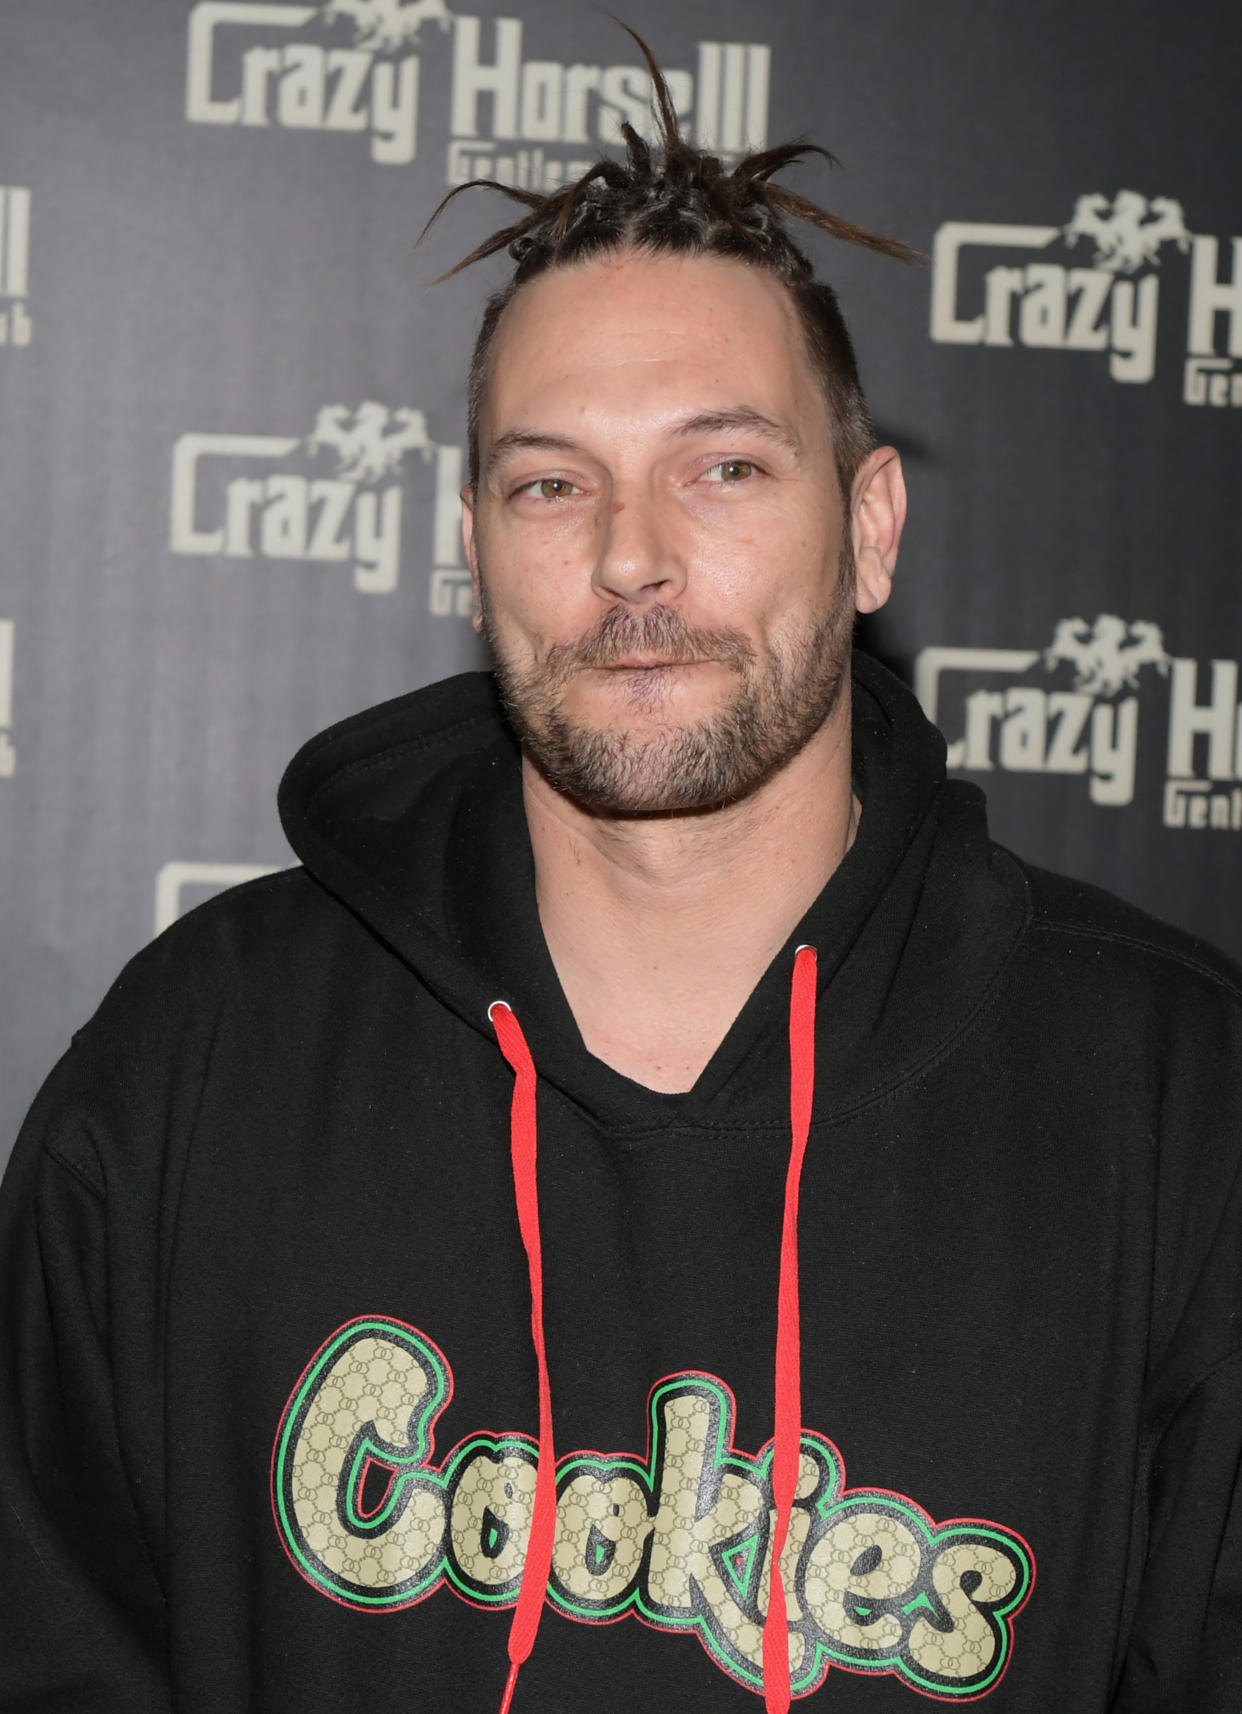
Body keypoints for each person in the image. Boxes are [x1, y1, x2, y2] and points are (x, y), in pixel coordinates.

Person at [2, 38, 1240, 1714]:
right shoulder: (196, 1062)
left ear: (869, 528)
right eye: (548, 482)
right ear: (471, 542)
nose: (630, 557)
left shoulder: (1172, 1101)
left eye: (722, 466)